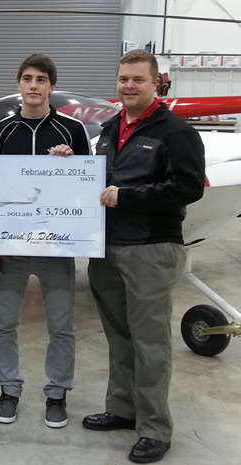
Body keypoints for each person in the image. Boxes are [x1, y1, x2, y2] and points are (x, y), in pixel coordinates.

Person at [83, 50, 205, 463]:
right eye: (123, 79)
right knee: (120, 336)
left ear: (156, 83)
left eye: (138, 79)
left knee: (151, 342)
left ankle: (154, 428)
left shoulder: (176, 131)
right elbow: (97, 181)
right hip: (107, 248)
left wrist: (128, 197)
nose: (129, 86)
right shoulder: (109, 129)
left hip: (150, 249)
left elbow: (189, 187)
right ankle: (122, 408)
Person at [0, 54, 91, 428]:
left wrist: (72, 161)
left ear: (51, 87)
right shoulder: (0, 133)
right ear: (19, 84)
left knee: (61, 327)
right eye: (27, 78)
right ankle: (9, 390)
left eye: (41, 79)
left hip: (57, 247)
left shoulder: (71, 131)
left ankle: (57, 394)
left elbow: (85, 188)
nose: (33, 85)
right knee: (3, 325)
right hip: (11, 249)